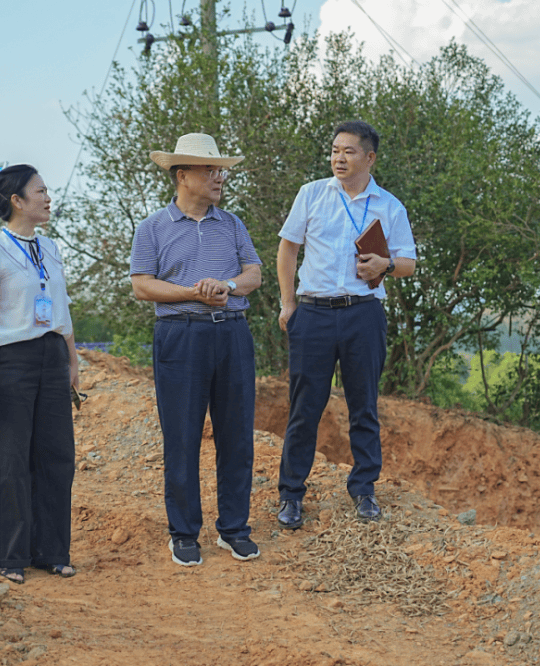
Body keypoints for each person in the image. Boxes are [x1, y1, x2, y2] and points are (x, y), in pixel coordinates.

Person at [276, 120, 417, 529]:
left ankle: (364, 490)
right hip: (314, 312)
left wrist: (385, 264)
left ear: (369, 157)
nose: (339, 157)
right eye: (335, 150)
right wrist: (288, 305)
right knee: (305, 408)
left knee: (364, 406)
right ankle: (291, 495)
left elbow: (407, 263)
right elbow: (287, 250)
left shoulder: (389, 206)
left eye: (349, 151)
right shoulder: (312, 194)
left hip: (364, 313)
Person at [130, 133, 263, 566]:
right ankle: (184, 533)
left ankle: (233, 529)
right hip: (180, 336)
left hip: (232, 334)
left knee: (237, 435)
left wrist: (225, 286)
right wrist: (193, 292)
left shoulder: (234, 225)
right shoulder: (152, 227)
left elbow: (254, 275)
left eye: (220, 169)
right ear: (182, 175)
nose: (219, 177)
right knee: (182, 436)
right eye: (210, 169)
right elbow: (141, 285)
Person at [0, 164, 79, 584]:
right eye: (40, 191)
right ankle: (10, 554)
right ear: (17, 200)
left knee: (56, 456)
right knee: (12, 458)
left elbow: (62, 310)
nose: (48, 198)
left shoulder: (49, 248)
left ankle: (52, 550)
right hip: (10, 361)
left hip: (51, 356)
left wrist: (71, 360)